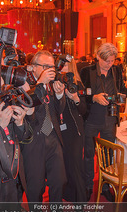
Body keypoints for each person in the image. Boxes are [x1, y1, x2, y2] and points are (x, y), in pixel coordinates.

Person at [80, 43, 127, 201]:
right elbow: (80, 93)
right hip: (91, 118)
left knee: (108, 154)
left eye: (112, 61)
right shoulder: (87, 71)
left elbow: (123, 90)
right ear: (98, 57)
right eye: (106, 61)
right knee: (88, 155)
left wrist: (121, 96)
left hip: (110, 118)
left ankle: (106, 187)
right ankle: (87, 187)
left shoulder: (117, 70)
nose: (110, 64)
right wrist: (94, 97)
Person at [21, 50, 67, 203]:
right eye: (46, 66)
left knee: (59, 182)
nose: (50, 71)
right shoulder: (24, 83)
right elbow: (28, 109)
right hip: (34, 141)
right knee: (35, 187)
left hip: (53, 138)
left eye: (52, 67)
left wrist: (60, 96)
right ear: (33, 67)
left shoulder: (51, 84)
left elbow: (58, 110)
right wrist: (40, 83)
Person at [58, 58, 87, 202]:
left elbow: (84, 110)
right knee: (64, 167)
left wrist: (75, 98)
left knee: (76, 168)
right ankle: (69, 194)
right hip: (58, 131)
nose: (63, 68)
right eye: (61, 65)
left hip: (75, 131)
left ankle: (80, 203)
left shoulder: (78, 84)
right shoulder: (55, 84)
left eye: (67, 65)